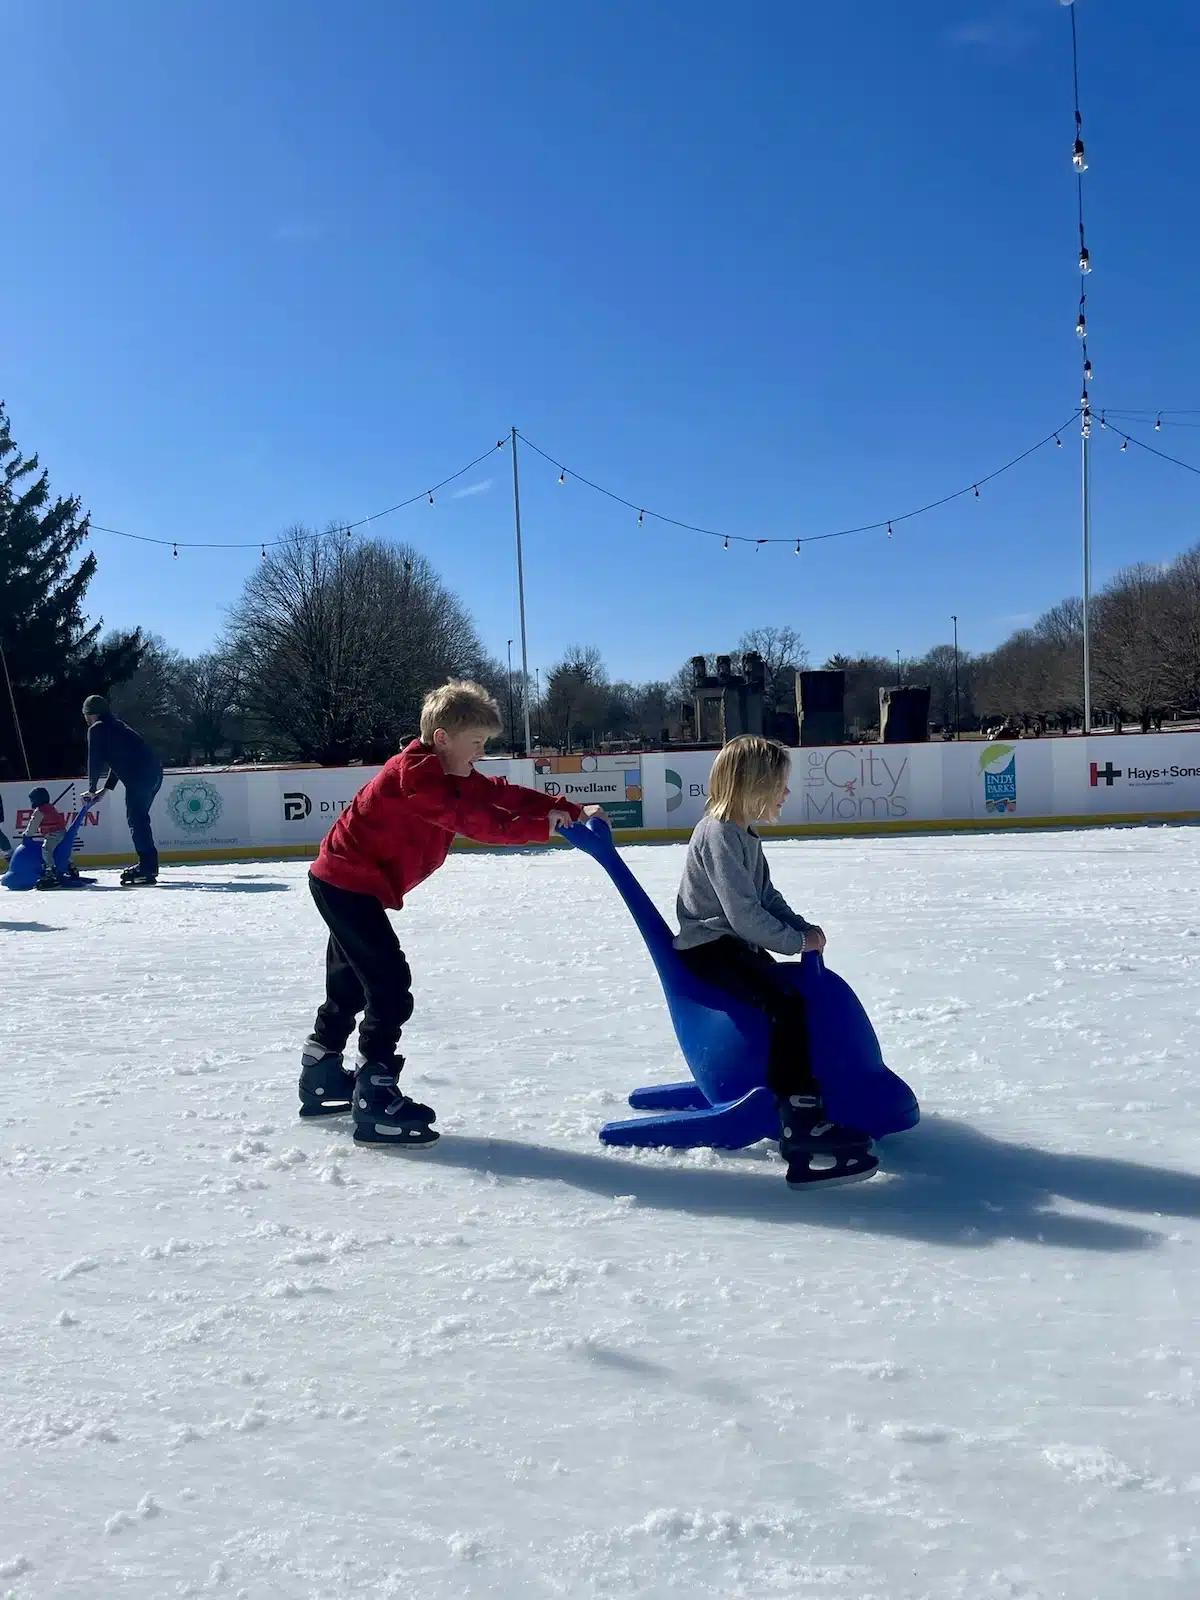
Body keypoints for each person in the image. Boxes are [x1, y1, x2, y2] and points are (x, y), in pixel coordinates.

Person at [300, 680, 607, 1146]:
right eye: (477, 743)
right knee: (388, 987)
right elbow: (477, 822)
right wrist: (540, 827)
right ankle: (375, 1097)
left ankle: (321, 1076)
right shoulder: (418, 780)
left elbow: (499, 796)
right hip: (345, 883)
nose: (481, 754)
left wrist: (568, 808)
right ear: (442, 738)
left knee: (350, 985)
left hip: (348, 881)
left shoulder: (449, 774)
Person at [674, 734, 877, 1189]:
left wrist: (802, 929)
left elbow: (766, 897)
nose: (786, 793)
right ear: (754, 784)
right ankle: (800, 1125)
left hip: (734, 944)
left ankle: (811, 1095)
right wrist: (793, 942)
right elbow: (742, 914)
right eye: (780, 784)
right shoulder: (720, 832)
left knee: (795, 996)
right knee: (782, 1005)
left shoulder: (744, 833)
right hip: (710, 948)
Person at [80, 695, 164, 886]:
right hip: (155, 773)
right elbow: (119, 761)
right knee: (140, 818)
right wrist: (105, 789)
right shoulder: (118, 726)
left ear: (89, 714)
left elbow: (94, 760)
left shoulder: (96, 728)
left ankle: (147, 868)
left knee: (137, 819)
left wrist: (92, 788)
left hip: (140, 776)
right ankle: (148, 865)